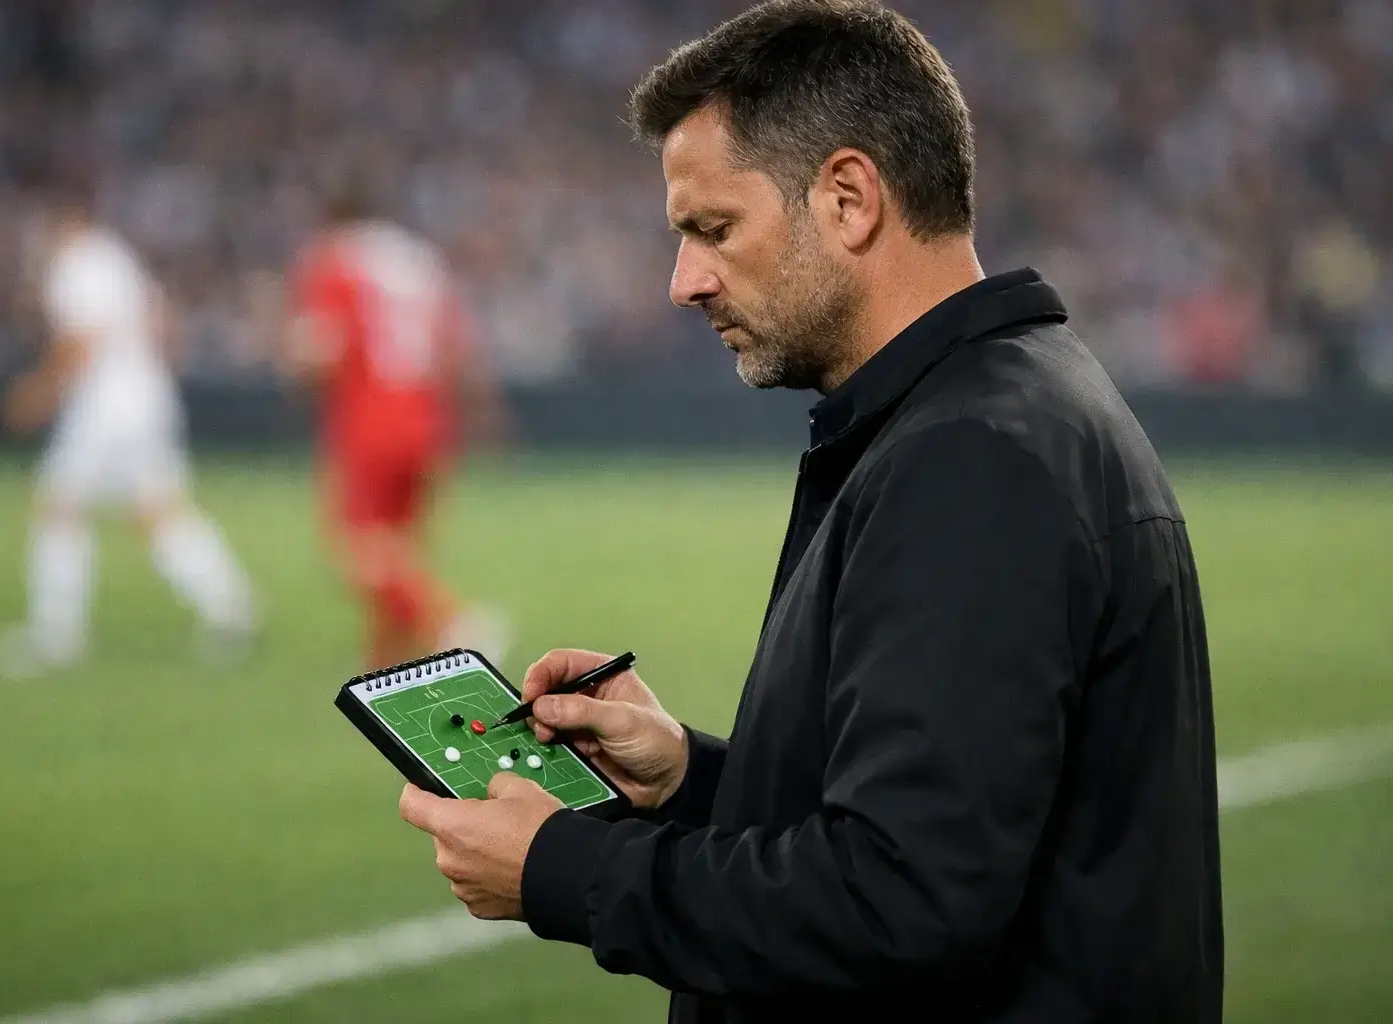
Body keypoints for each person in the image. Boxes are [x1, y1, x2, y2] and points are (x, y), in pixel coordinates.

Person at [396, 2, 1223, 1022]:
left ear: (847, 198)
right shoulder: (991, 409)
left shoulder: (974, 457)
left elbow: (903, 902)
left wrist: (569, 866)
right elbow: (941, 810)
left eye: (713, 228)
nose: (683, 282)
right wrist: (692, 782)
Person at [0, 180, 256, 676]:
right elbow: (163, 320)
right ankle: (231, 607)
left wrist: (38, 392)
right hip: (144, 393)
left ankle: (56, 636)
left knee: (59, 509)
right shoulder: (115, 256)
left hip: (105, 403)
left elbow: (82, 338)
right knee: (159, 513)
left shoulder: (77, 263)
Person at [284, 181, 510, 669]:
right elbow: (457, 346)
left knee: (360, 551)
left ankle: (456, 625)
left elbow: (320, 351)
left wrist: (297, 381)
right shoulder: (418, 260)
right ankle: (387, 668)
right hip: (427, 417)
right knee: (398, 549)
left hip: (371, 418)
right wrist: (476, 413)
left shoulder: (335, 259)